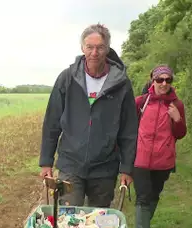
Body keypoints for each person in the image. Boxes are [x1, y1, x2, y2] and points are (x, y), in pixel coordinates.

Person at [38, 23, 138, 208]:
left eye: (100, 47)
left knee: (98, 223)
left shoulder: (121, 83)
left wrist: (127, 168)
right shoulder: (67, 78)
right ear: (82, 47)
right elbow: (52, 122)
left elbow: (129, 129)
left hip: (105, 167)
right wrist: (46, 161)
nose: (94, 53)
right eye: (89, 47)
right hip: (70, 165)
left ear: (107, 49)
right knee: (69, 219)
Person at [133, 65, 187, 228]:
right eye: (160, 80)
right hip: (140, 160)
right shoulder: (140, 102)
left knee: (154, 197)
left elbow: (180, 134)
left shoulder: (176, 105)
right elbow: (129, 130)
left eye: (168, 80)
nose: (164, 83)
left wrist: (177, 119)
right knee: (142, 198)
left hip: (163, 161)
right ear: (152, 80)